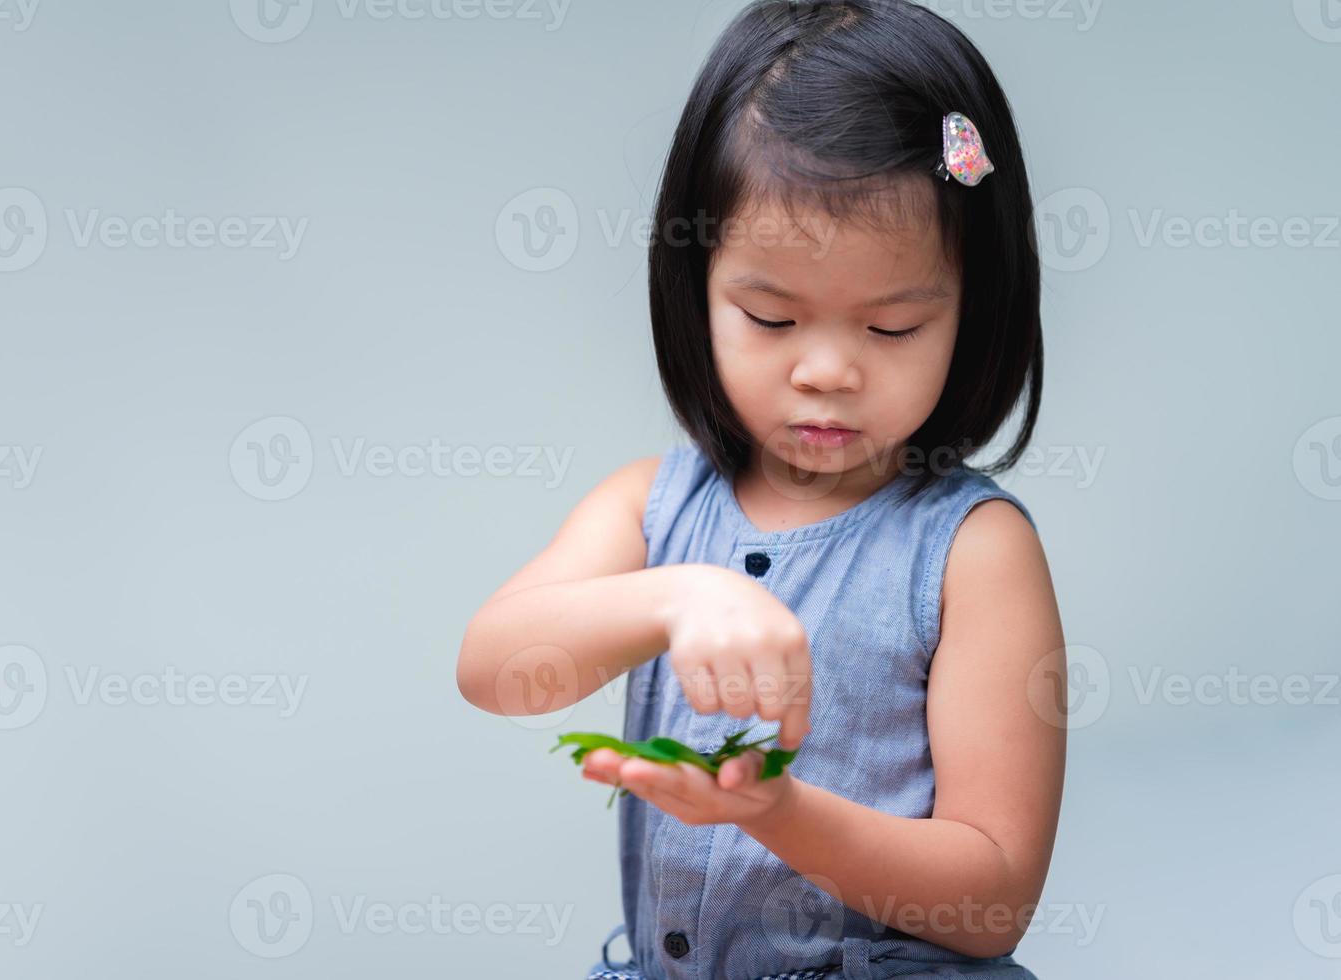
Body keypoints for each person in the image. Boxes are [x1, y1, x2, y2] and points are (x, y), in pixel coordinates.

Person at [457, 2, 1066, 977]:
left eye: (894, 327)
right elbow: (494, 666)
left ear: (975, 308)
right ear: (694, 286)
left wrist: (778, 812)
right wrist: (676, 592)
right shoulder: (649, 506)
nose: (827, 370)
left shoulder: (973, 552)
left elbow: (990, 900)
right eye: (772, 317)